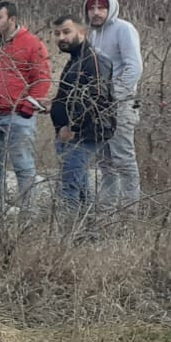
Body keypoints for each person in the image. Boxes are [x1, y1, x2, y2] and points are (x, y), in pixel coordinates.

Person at [0, 1, 53, 213]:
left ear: (12, 19)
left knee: (24, 167)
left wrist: (27, 108)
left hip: (17, 116)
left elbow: (42, 79)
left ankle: (28, 215)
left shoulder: (32, 44)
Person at [48, 14, 113, 224]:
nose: (61, 38)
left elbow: (97, 98)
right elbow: (72, 97)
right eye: (57, 33)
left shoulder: (94, 60)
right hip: (72, 133)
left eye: (67, 32)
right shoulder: (76, 59)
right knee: (81, 187)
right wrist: (52, 105)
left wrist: (73, 127)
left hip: (84, 134)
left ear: (82, 32)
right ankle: (88, 232)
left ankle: (69, 233)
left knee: (69, 187)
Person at [83, 0, 143, 210]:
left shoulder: (123, 29)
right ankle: (106, 211)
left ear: (111, 9)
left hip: (121, 105)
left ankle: (130, 211)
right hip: (97, 107)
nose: (96, 13)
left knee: (124, 160)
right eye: (92, 8)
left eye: (101, 8)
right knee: (105, 162)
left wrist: (114, 96)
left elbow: (134, 67)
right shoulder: (91, 34)